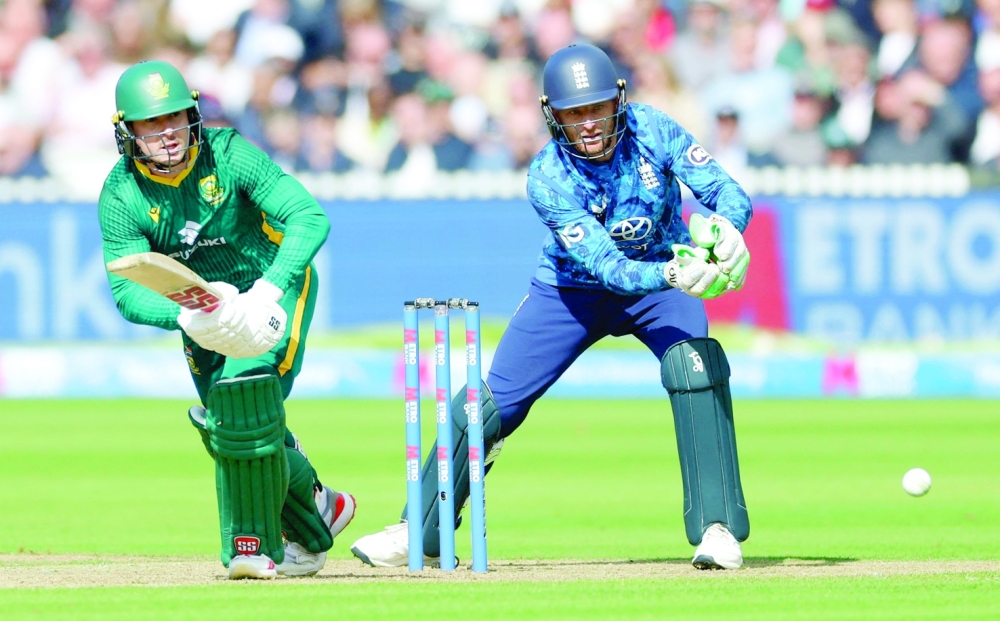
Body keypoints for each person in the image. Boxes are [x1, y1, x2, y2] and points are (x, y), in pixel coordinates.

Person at [350, 43, 753, 571]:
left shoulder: (653, 129)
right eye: (573, 112)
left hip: (659, 291)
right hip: (573, 290)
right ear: (552, 115)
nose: (587, 124)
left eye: (597, 109)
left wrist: (727, 233)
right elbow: (609, 268)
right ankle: (418, 528)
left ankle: (718, 529)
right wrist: (677, 272)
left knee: (695, 368)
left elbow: (727, 191)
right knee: (490, 403)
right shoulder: (547, 176)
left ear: (619, 103)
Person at [99, 60, 355, 580]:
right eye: (150, 124)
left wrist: (266, 291)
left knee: (242, 405)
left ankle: (251, 549)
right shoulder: (121, 194)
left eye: (174, 118)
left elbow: (309, 216)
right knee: (229, 423)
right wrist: (185, 317)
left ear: (193, 114)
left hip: (270, 288)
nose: (166, 133)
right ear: (128, 131)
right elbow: (125, 291)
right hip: (202, 310)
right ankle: (319, 510)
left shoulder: (229, 153)